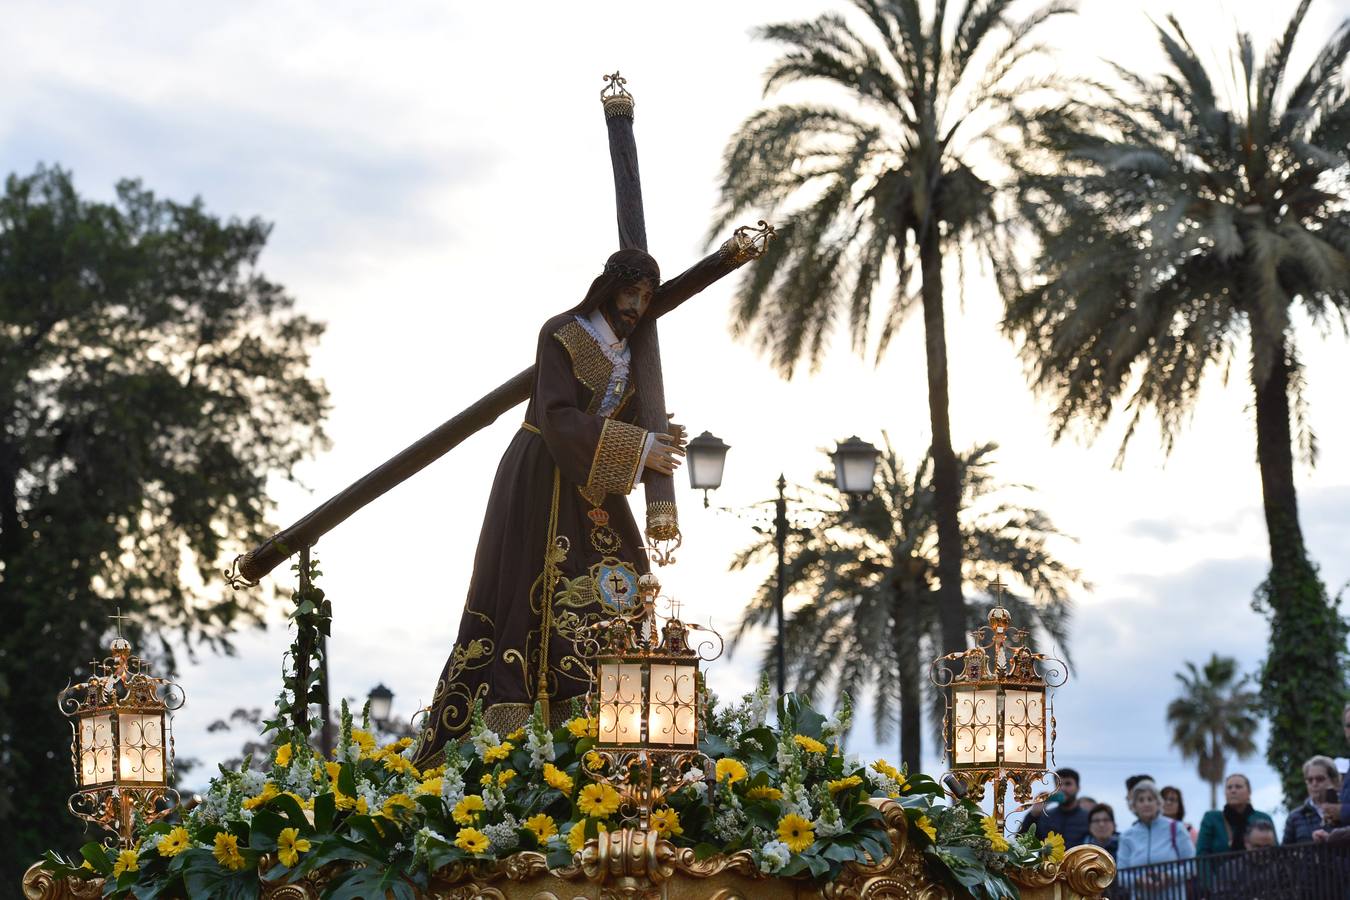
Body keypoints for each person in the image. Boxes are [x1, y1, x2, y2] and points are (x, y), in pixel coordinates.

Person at [415, 248, 687, 761]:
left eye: (647, 297)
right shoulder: (562, 333)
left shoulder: (638, 352)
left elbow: (624, 414)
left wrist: (655, 438)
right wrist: (637, 448)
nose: (637, 306)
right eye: (631, 293)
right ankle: (511, 734)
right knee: (529, 592)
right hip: (542, 476)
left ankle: (625, 735)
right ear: (609, 288)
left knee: (626, 584)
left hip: (597, 488)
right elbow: (558, 417)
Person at [1117, 779, 1195, 894]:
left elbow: (1192, 865)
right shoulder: (1127, 836)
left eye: (1150, 799)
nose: (1146, 803)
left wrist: (1169, 876)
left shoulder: (1176, 828)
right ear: (1134, 806)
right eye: (1141, 800)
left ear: (1158, 803)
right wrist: (1138, 880)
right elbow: (1120, 874)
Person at [1196, 773, 1275, 856]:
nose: (1233, 791)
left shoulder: (1263, 818)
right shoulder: (1211, 819)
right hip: (1221, 868)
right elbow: (1201, 855)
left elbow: (1275, 851)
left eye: (1238, 787)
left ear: (1249, 792)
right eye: (1229, 787)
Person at [1210, 821, 1293, 899]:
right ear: (1247, 844)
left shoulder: (1281, 868)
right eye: (1257, 847)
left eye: (1268, 847)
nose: (1263, 852)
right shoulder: (1229, 870)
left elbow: (1290, 894)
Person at [1018, 767, 1091, 846]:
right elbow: (1021, 843)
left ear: (1078, 788)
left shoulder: (1089, 818)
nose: (1062, 788)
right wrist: (1034, 815)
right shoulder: (1046, 816)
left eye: (1068, 784)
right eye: (1058, 784)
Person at [1283, 755, 1343, 845]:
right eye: (1310, 780)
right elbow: (1285, 853)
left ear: (1334, 781)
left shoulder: (1344, 811)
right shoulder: (1295, 817)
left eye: (1320, 779)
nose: (1314, 784)